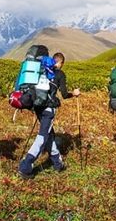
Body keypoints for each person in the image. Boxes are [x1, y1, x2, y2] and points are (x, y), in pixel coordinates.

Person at [18, 50, 80, 178]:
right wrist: (73, 93)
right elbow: (63, 94)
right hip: (49, 109)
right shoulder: (60, 74)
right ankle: (26, 166)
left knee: (49, 134)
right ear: (61, 62)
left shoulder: (43, 71)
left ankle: (57, 163)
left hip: (38, 107)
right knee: (43, 136)